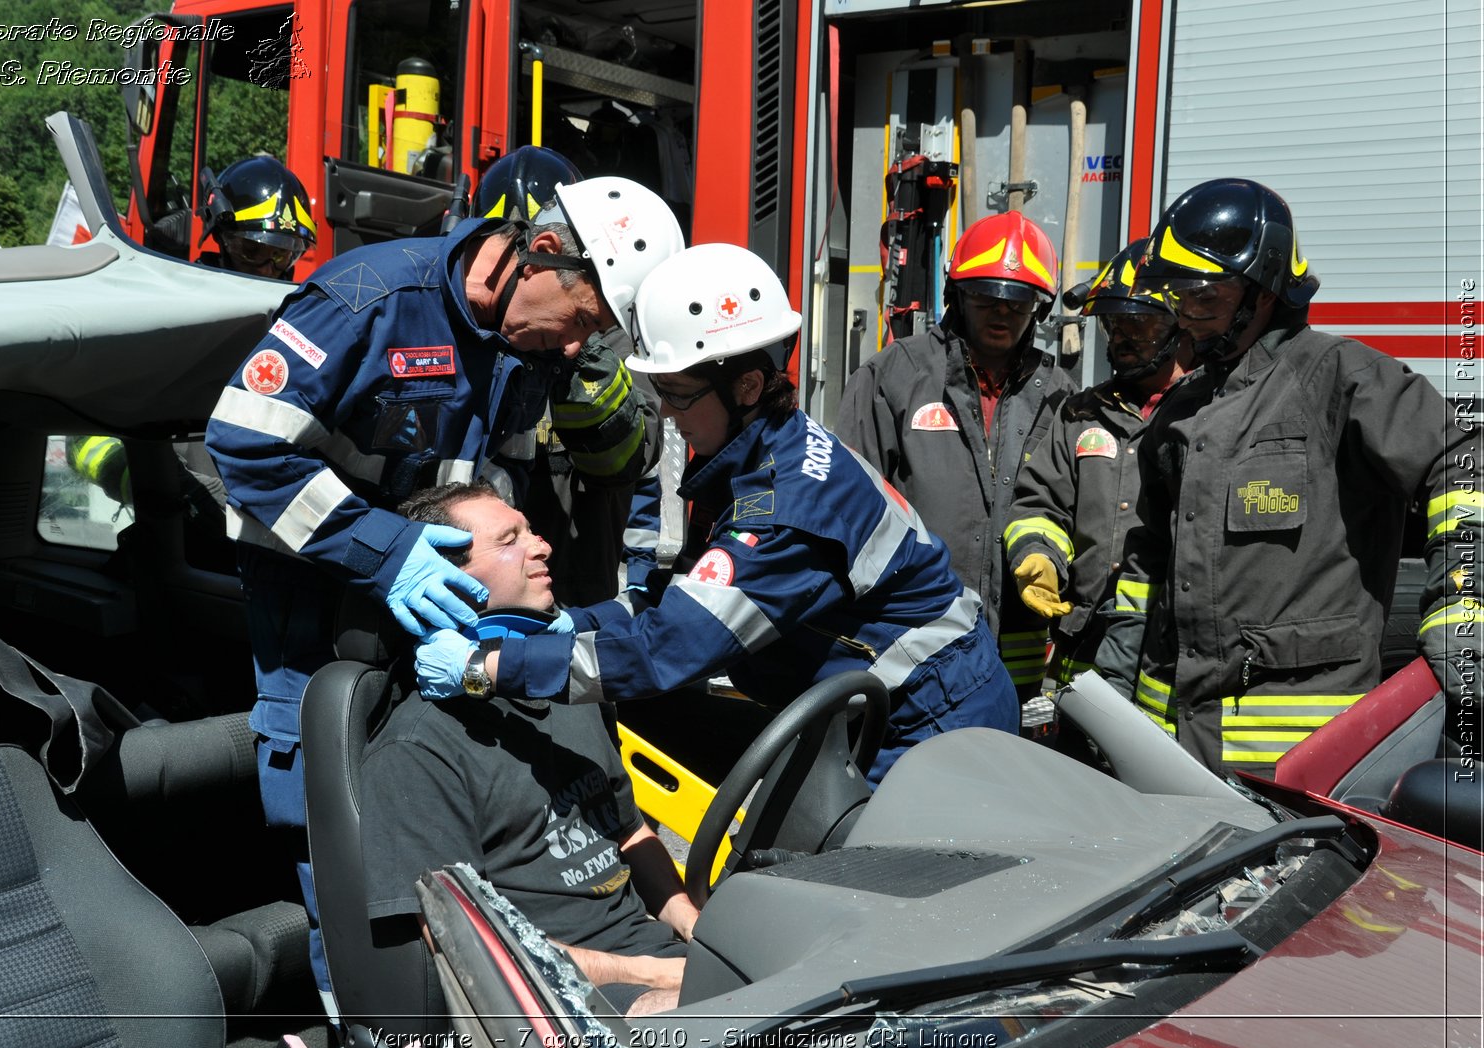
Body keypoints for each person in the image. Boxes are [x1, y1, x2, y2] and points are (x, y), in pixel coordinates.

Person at [204, 174, 684, 1010]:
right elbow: (244, 442)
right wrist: (389, 556)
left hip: (444, 619)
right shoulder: (372, 299)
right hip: (320, 624)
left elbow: (500, 481)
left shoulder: (523, 345)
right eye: (582, 321)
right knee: (351, 857)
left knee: (471, 827)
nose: (577, 350)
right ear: (540, 256)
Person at [413, 243, 1018, 784]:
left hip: (936, 717)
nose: (669, 416)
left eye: (678, 395)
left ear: (748, 386)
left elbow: (670, 648)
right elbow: (676, 599)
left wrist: (485, 667)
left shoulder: (786, 510)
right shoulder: (756, 453)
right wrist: (571, 624)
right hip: (897, 703)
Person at [1093, 177, 1479, 777]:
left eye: (1203, 295)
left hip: (1301, 766)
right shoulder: (1178, 411)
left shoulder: (1337, 378)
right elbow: (1145, 564)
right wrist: (1114, 686)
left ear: (1263, 292)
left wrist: (1464, 606)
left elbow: (1461, 457)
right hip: (1169, 758)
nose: (1184, 314)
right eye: (1176, 294)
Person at [360, 481, 697, 1018]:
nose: (542, 545)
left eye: (533, 530)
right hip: (563, 1002)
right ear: (451, 579)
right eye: (509, 539)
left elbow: (629, 829)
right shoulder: (415, 750)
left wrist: (694, 927)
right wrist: (664, 973)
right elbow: (475, 949)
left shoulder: (565, 685)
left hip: (666, 963)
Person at [837, 211, 1076, 700]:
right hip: (915, 643)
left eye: (1019, 301)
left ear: (1040, 309)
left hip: (1018, 658)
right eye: (986, 296)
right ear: (958, 295)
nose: (1002, 312)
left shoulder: (1061, 396)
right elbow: (847, 505)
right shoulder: (893, 377)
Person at [472, 146, 661, 605]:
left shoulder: (605, 334)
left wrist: (575, 355)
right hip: (478, 588)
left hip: (574, 592)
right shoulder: (466, 326)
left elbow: (637, 455)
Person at [1002, 239, 1189, 683]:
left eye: (1139, 325)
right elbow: (1040, 503)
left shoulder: (1207, 413)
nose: (1122, 338)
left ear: (1180, 326)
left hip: (1169, 657)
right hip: (1082, 646)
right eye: (1113, 325)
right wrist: (1038, 554)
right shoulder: (1079, 413)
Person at [197, 155, 318, 280]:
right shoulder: (190, 295)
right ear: (220, 236)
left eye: (280, 255)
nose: (265, 271)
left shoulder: (298, 298)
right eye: (251, 251)